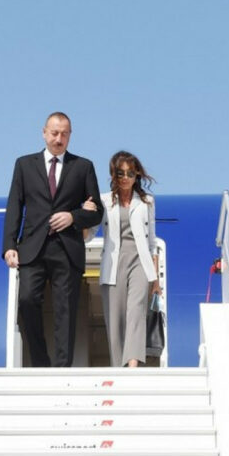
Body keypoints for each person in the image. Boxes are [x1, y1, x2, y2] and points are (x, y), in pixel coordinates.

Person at [2, 112, 104, 367]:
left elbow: (97, 212)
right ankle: (40, 361)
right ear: (44, 132)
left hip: (67, 249)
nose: (59, 139)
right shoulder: (24, 165)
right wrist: (9, 246)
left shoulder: (83, 167)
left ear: (70, 136)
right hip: (32, 247)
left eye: (64, 134)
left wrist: (73, 216)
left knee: (65, 310)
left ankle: (61, 368)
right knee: (27, 300)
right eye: (55, 133)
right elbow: (14, 206)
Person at [85, 151, 159, 368]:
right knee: (115, 319)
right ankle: (119, 368)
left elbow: (152, 242)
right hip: (113, 262)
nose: (126, 178)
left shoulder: (146, 202)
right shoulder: (104, 201)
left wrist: (155, 280)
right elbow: (89, 234)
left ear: (137, 175)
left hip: (140, 262)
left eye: (130, 173)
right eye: (121, 173)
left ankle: (133, 366)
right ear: (113, 175)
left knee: (136, 312)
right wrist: (85, 214)